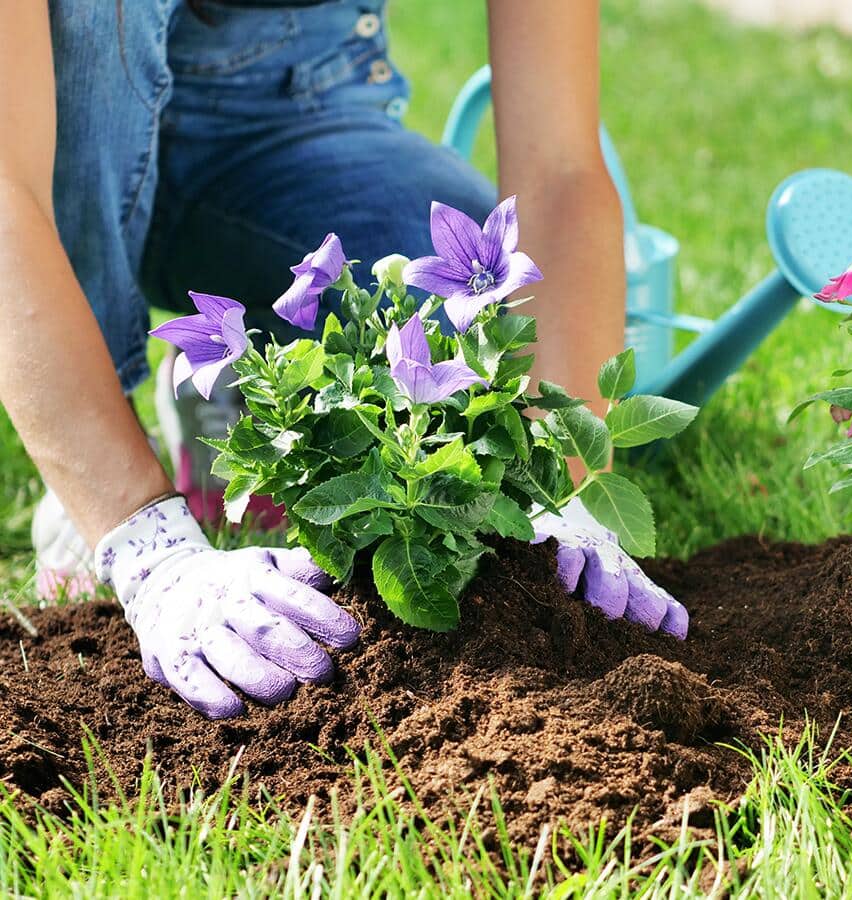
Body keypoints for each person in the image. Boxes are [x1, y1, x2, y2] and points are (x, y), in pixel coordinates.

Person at [2, 0, 684, 720]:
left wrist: (560, 482)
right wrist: (149, 545)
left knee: (450, 310)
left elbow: (562, 166)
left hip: (280, 116)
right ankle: (94, 449)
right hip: (58, 127)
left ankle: (242, 397)